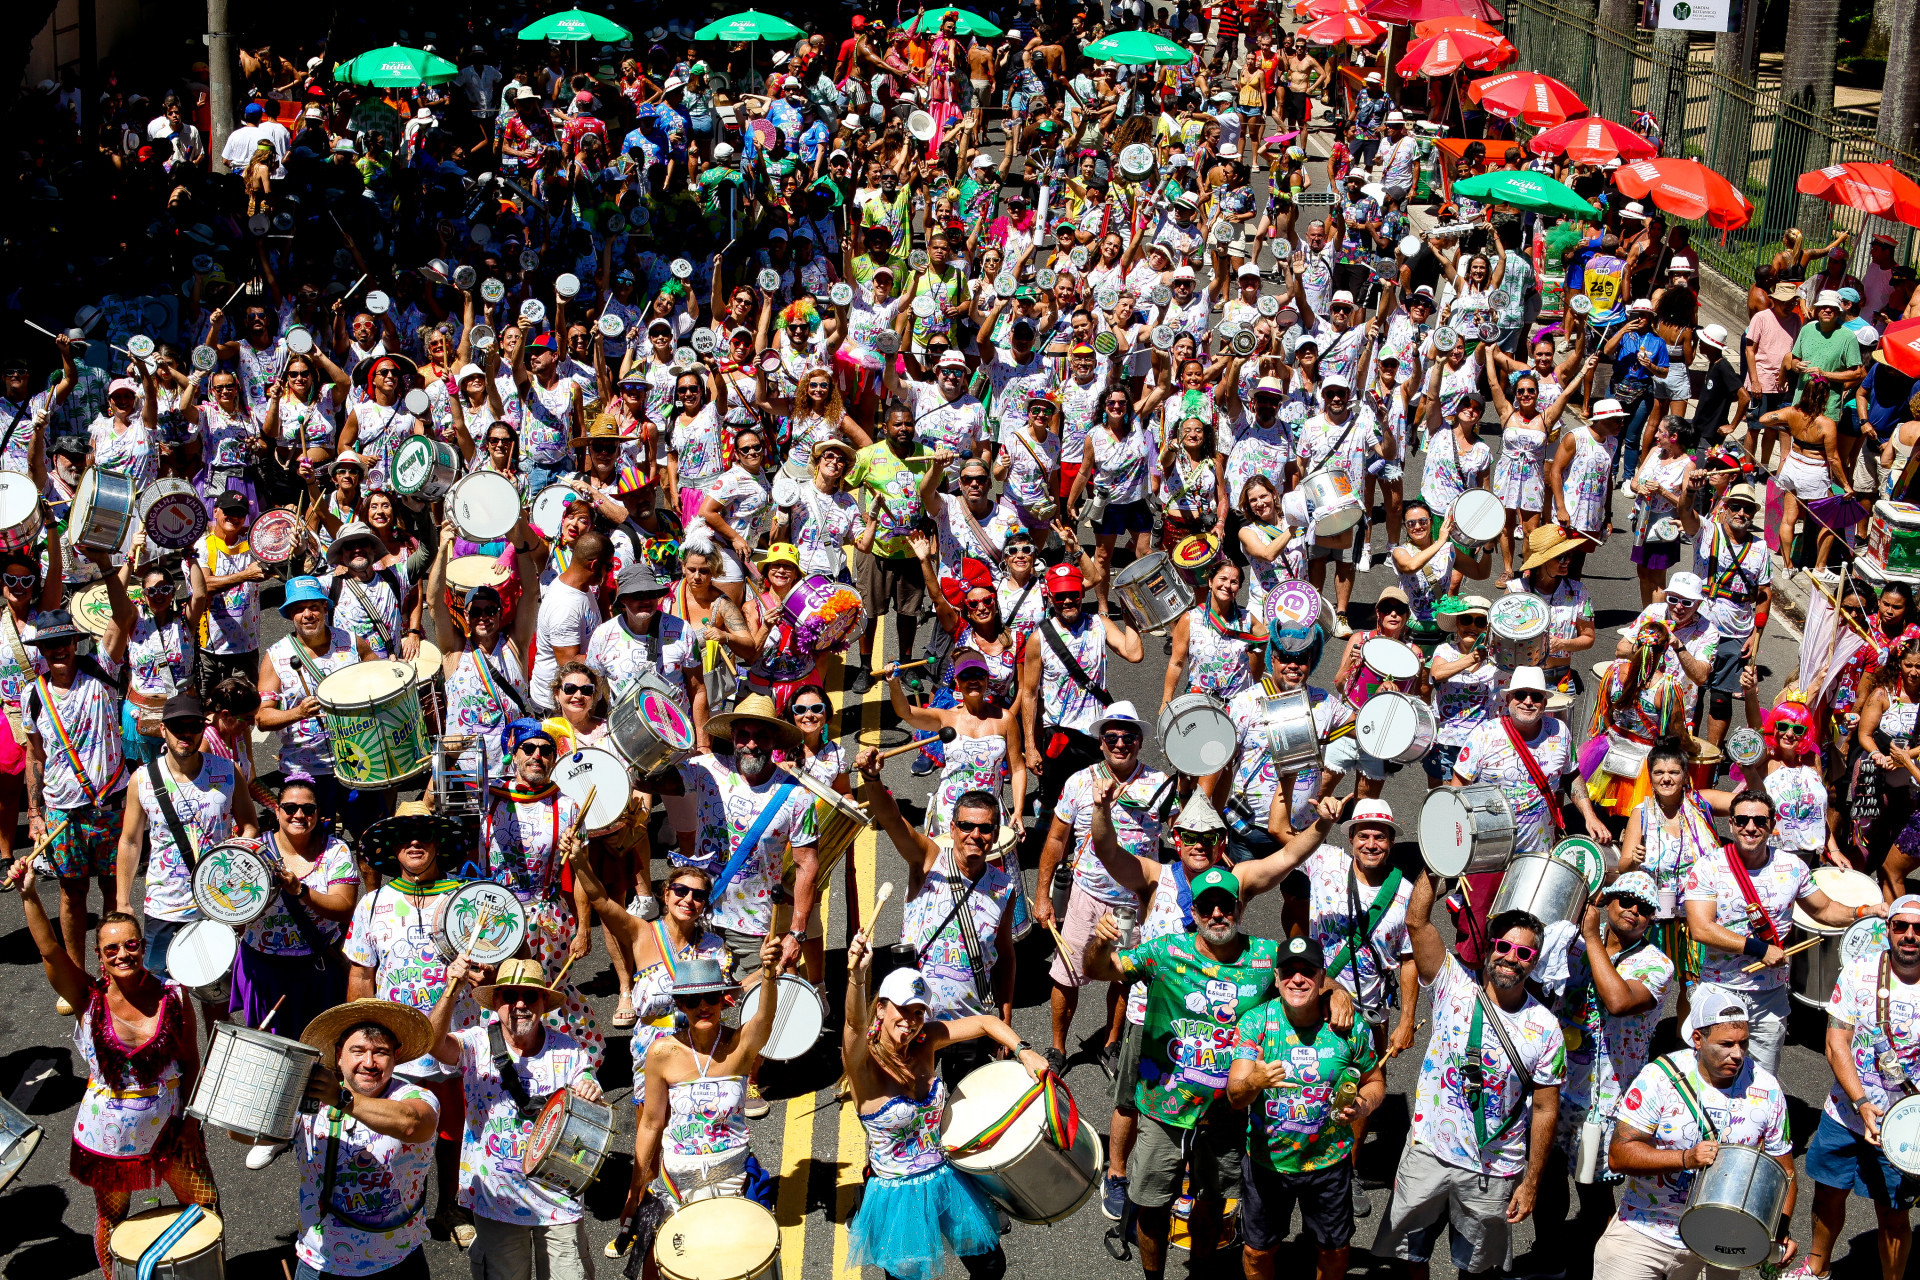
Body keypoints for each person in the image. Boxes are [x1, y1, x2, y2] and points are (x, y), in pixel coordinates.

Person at [8, 857, 216, 1276]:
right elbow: (49, 949)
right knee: (112, 1221)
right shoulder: (88, 997)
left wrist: (192, 1123)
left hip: (171, 1127)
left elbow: (192, 1060)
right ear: (99, 957)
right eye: (111, 949)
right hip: (110, 1136)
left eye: (131, 944)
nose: (123, 954)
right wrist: (29, 894)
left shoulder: (173, 996)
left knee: (205, 1207)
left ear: (143, 945)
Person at [1084, 864, 1282, 1278]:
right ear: (1192, 912)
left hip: (1227, 1112)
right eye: (1206, 906)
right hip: (1164, 1108)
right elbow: (1101, 970)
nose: (1216, 915)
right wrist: (1099, 943)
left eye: (1224, 906)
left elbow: (1308, 974)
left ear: (1238, 909)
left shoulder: (1265, 958)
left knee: (1212, 1203)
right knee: (1152, 1205)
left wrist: (1336, 994)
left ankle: (1202, 1273)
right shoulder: (1165, 951)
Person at [1371, 868, 1565, 1280]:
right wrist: (1438, 865)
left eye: (1525, 953)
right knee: (1410, 1259)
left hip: (1493, 1168)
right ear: (1491, 947)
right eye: (1504, 946)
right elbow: (1416, 921)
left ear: (1534, 962)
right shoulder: (1453, 986)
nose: (1511, 958)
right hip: (1429, 1151)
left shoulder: (1546, 1028)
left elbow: (1546, 1109)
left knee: (1478, 1270)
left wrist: (1531, 1183)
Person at [841, 940, 1047, 1280]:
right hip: (898, 1194)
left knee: (990, 1264)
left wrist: (1023, 1051)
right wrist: (857, 978)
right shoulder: (864, 1066)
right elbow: (852, 1027)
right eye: (903, 1010)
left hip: (947, 1177)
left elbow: (983, 1022)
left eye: (919, 1012)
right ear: (880, 1009)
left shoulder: (925, 1043)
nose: (910, 1022)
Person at [344, 800, 486, 1247]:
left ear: (438, 843)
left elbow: (494, 971)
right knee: (399, 1130)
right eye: (404, 836)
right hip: (397, 1046)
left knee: (454, 1132)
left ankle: (452, 1206)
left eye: (423, 834)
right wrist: (358, 1039)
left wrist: (484, 975)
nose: (414, 842)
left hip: (455, 1037)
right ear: (392, 848)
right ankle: (403, 1209)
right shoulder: (372, 903)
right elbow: (361, 974)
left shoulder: (466, 899)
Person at [426, 957, 604, 1280]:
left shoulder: (569, 1050)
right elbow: (434, 1044)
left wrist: (590, 1089)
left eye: (530, 996)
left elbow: (589, 1086)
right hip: (498, 1200)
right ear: (496, 1002)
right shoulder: (475, 1044)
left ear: (543, 1003)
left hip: (558, 1200)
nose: (519, 1004)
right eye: (509, 996)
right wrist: (452, 990)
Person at [1687, 788, 1886, 1075]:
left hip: (1770, 994)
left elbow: (1824, 909)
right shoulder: (1709, 867)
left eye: (1760, 821)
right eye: (1742, 820)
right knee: (1713, 1075)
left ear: (1773, 824)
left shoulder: (1792, 867)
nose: (1750, 827)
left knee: (1761, 1077)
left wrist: (1865, 911)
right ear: (1730, 823)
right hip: (1722, 987)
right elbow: (1701, 928)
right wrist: (1760, 950)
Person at [1599, 995, 1796, 1280]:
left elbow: (1785, 1173)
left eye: (1744, 1042)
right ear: (1698, 1039)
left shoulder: (1766, 1088)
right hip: (1645, 1231)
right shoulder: (1658, 1078)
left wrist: (1778, 1232)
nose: (1738, 1054)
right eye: (1726, 1044)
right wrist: (1685, 1158)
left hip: (1720, 1244)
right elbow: (1619, 1155)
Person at [1227, 934, 1387, 1280]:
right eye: (1288, 971)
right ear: (1275, 976)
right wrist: (1255, 1081)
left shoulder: (1349, 1028)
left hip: (1329, 1163)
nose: (1297, 978)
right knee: (1257, 1251)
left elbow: (1375, 1082)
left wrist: (1362, 1107)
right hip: (1268, 1164)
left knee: (1334, 1250)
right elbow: (1235, 1096)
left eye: (1307, 971)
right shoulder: (1255, 1024)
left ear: (1321, 976)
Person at [1533, 873, 1675, 1261]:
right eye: (1625, 901)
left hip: (1607, 1098)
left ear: (1652, 920)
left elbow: (1618, 1001)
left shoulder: (1657, 964)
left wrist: (1593, 937)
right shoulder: (1569, 944)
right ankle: (1547, 1253)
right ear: (1605, 903)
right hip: (1555, 1084)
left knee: (1593, 1190)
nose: (1633, 911)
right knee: (1545, 1176)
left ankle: (1596, 1265)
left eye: (1644, 908)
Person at [624, 937, 783, 1262]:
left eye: (711, 996)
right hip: (678, 1187)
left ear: (723, 1000)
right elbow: (651, 1124)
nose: (703, 1006)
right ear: (680, 1004)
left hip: (733, 1183)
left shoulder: (739, 1047)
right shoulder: (662, 1053)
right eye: (693, 999)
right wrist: (634, 1189)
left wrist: (768, 974)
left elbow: (765, 1019)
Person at [1034, 701, 1168, 1078]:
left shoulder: (1158, 785)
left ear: (1140, 741)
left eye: (1129, 736)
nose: (1121, 743)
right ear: (1100, 742)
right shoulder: (1079, 782)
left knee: (1125, 976)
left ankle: (1111, 1043)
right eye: (1112, 737)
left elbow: (1187, 830)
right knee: (1066, 975)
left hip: (1132, 903)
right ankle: (1058, 1047)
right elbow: (1057, 841)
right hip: (1085, 897)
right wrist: (1043, 895)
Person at [1450, 666, 1615, 963]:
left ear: (1544, 701)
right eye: (1521, 695)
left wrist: (1589, 816)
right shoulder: (1485, 735)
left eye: (1536, 696)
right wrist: (1455, 848)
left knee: (1527, 929)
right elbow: (1456, 789)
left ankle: (1515, 987)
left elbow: (1572, 776)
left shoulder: (1559, 732)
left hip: (1537, 853)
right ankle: (1469, 983)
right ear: (1509, 698)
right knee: (1476, 929)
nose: (1528, 701)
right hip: (1490, 852)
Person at [24, 582, 135, 1001]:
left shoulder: (101, 669)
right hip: (62, 812)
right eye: (50, 645)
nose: (59, 650)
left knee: (113, 890)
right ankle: (75, 980)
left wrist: (109, 568)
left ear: (75, 643)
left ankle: (115, 972)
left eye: (65, 642)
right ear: (41, 650)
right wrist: (35, 815)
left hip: (110, 804)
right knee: (72, 896)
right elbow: (36, 758)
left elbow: (123, 618)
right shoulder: (32, 694)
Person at [1800, 892, 1920, 1280]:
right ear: (1888, 930)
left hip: (1906, 1122)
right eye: (1900, 926)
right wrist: (1862, 1102)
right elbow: (1837, 1044)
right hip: (1846, 1111)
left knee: (1893, 1213)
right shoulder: (1859, 971)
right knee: (1828, 1193)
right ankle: (1817, 1268)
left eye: (1918, 928)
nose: (1909, 935)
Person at [113, 690, 261, 990]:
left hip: (218, 905)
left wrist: (236, 868)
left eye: (194, 727)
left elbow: (249, 825)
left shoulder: (226, 772)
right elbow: (130, 842)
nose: (186, 734)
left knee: (216, 998)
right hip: (164, 907)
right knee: (161, 997)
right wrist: (122, 901)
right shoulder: (142, 779)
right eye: (178, 727)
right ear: (163, 729)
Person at [480, 718, 601, 1066]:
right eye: (529, 748)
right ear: (513, 753)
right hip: (495, 915)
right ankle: (499, 1067)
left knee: (545, 992)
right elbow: (434, 802)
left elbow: (580, 874)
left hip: (547, 916)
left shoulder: (568, 806)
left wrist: (583, 928)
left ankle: (555, 1065)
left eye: (546, 751)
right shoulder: (488, 796)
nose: (537, 756)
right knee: (500, 993)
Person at [290, 1001, 440, 1280]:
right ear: (338, 1056)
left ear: (396, 1056)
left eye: (380, 1052)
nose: (369, 1063)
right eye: (357, 1051)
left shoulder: (414, 1097)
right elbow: (239, 1136)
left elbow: (412, 1124)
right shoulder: (307, 1098)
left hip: (397, 1260)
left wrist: (340, 1098)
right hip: (319, 1261)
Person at [1017, 561, 1143, 830]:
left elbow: (1134, 653)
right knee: (1053, 807)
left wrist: (1130, 614)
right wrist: (1030, 745)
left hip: (1095, 734)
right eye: (1060, 596)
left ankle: (1096, 856)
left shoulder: (1100, 624)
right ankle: (1054, 854)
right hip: (1058, 734)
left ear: (1081, 593)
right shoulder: (1040, 638)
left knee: (1097, 801)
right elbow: (1029, 694)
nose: (1067, 601)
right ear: (1050, 597)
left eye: (1072, 594)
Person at [256, 576, 376, 831]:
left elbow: (382, 681)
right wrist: (297, 713)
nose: (308, 614)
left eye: (314, 607)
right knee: (314, 847)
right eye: (299, 609)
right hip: (306, 770)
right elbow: (263, 719)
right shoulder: (276, 656)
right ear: (291, 615)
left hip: (359, 762)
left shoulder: (353, 643)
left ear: (325, 608)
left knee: (368, 844)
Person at [1677, 481, 1773, 752]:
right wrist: (1691, 491)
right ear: (1725, 507)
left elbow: (1765, 591)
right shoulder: (1707, 530)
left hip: (1737, 631)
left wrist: (1757, 633)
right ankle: (1685, 748)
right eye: (1736, 506)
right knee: (1691, 691)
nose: (1741, 513)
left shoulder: (1760, 547)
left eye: (1748, 510)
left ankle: (1711, 753)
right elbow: (1684, 510)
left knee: (1720, 698)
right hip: (1699, 625)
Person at [531, 529, 610, 715]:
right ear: (595, 564)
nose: (609, 572)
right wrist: (614, 654)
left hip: (578, 696)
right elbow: (568, 663)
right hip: (557, 706)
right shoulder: (565, 606)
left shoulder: (580, 587)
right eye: (608, 566)